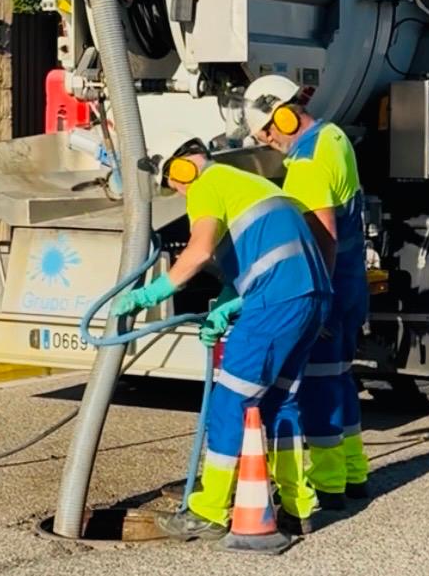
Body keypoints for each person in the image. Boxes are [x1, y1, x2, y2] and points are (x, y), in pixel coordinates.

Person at [120, 132, 332, 541]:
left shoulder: (207, 184)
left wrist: (153, 293)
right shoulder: (252, 185)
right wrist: (227, 304)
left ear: (185, 169)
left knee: (231, 400)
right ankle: (298, 506)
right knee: (280, 402)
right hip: (312, 297)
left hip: (278, 301)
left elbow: (199, 251)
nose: (180, 194)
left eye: (176, 184)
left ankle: (209, 511)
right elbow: (263, 255)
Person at [243, 75, 371, 507]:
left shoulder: (307, 164)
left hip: (331, 291)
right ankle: (354, 473)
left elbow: (323, 237)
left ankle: (331, 484)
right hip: (352, 285)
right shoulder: (334, 136)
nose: (269, 141)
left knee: (316, 386)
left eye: (267, 132)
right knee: (339, 379)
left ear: (282, 115)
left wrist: (318, 302)